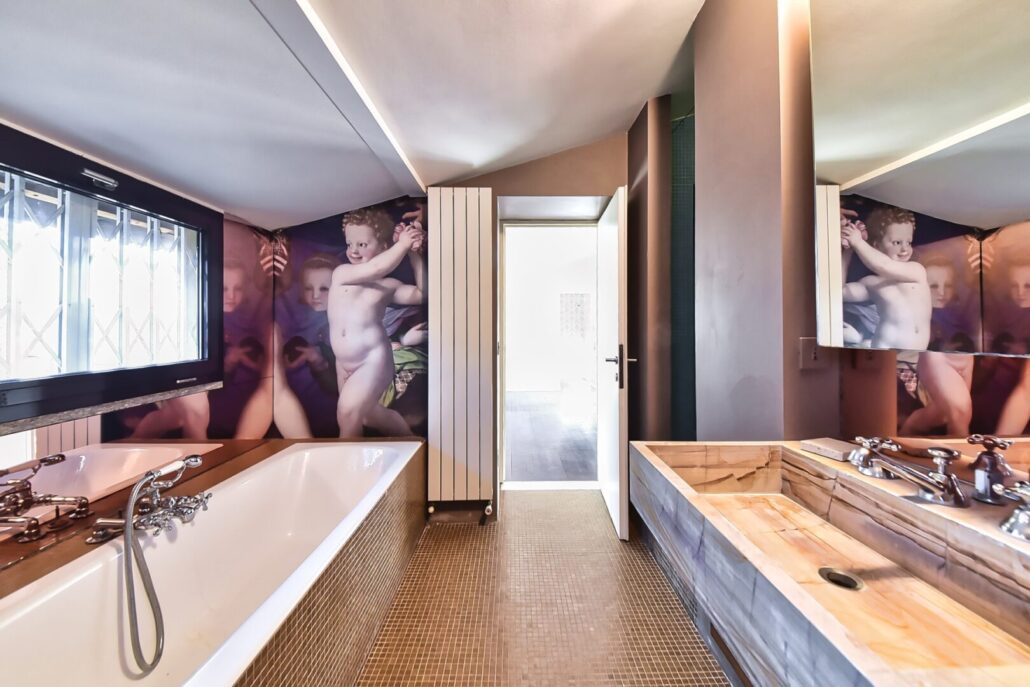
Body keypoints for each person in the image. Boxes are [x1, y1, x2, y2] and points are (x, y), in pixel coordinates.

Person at [328, 207, 425, 437]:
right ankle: (409, 439)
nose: (353, 250)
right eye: (350, 244)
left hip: (373, 360)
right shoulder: (341, 273)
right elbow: (375, 268)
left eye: (362, 244)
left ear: (383, 247)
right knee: (367, 414)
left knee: (348, 413)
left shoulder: (387, 286)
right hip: (343, 363)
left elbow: (423, 294)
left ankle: (348, 461)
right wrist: (403, 244)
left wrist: (413, 252)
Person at [841, 206, 931, 350]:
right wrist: (849, 249)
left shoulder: (916, 271)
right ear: (876, 245)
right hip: (881, 351)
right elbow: (838, 292)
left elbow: (884, 265)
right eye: (897, 242)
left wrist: (857, 242)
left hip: (911, 355)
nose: (905, 249)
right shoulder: (871, 283)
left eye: (908, 242)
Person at [900, 352, 974, 436]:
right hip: (939, 355)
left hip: (966, 357)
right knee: (959, 413)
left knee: (943, 415)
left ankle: (912, 425)